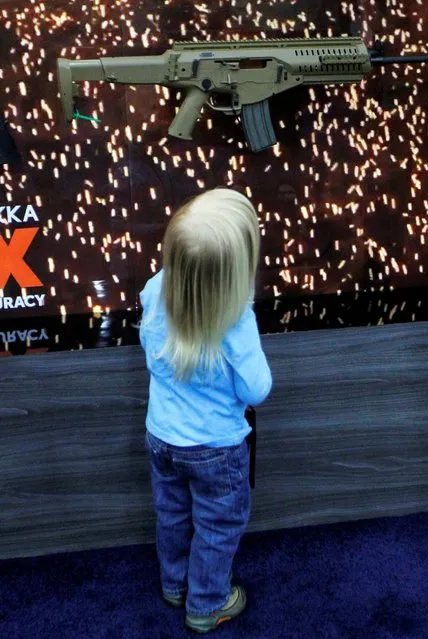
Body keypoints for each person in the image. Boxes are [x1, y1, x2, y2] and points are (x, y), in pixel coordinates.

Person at [139, 187, 273, 634]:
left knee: (172, 514)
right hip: (216, 449)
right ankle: (207, 602)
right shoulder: (237, 319)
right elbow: (256, 390)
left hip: (161, 437)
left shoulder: (155, 289)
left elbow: (149, 344)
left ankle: (174, 585)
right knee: (218, 525)